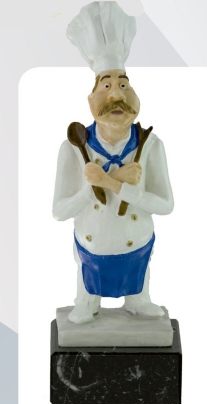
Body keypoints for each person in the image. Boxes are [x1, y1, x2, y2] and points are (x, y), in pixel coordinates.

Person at [53, 3, 174, 324]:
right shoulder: (74, 147)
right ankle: (86, 301)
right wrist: (92, 188)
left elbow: (165, 205)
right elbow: (60, 211)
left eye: (124, 85)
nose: (116, 95)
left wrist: (113, 183)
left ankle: (138, 300)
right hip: (91, 246)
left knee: (138, 277)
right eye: (106, 86)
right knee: (88, 278)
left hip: (137, 243)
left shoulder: (151, 145)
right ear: (90, 99)